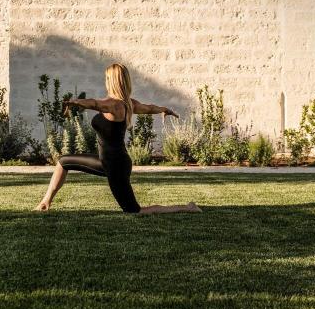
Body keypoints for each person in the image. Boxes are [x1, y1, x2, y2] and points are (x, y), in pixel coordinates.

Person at [34, 63, 202, 215]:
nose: (105, 81)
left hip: (115, 165)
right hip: (109, 161)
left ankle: (188, 207)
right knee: (63, 162)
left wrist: (76, 102)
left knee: (134, 211)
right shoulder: (129, 103)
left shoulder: (113, 104)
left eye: (107, 78)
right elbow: (149, 108)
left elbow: (95, 104)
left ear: (112, 80)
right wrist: (164, 109)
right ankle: (45, 201)